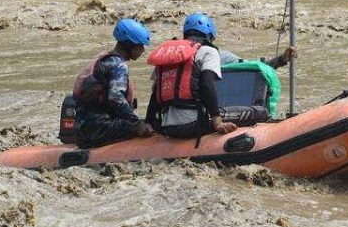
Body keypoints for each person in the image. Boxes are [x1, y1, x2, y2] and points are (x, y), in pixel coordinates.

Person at [147, 13, 238, 138]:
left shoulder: (169, 53)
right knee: (240, 123)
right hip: (193, 125)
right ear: (209, 36)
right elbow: (207, 85)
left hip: (167, 126)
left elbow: (156, 92)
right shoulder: (208, 51)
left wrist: (148, 122)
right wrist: (217, 122)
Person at [73, 18, 154, 148]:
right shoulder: (118, 65)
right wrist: (136, 123)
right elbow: (115, 97)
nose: (143, 50)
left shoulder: (105, 59)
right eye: (140, 45)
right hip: (100, 129)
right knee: (145, 128)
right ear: (129, 44)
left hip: (83, 128)